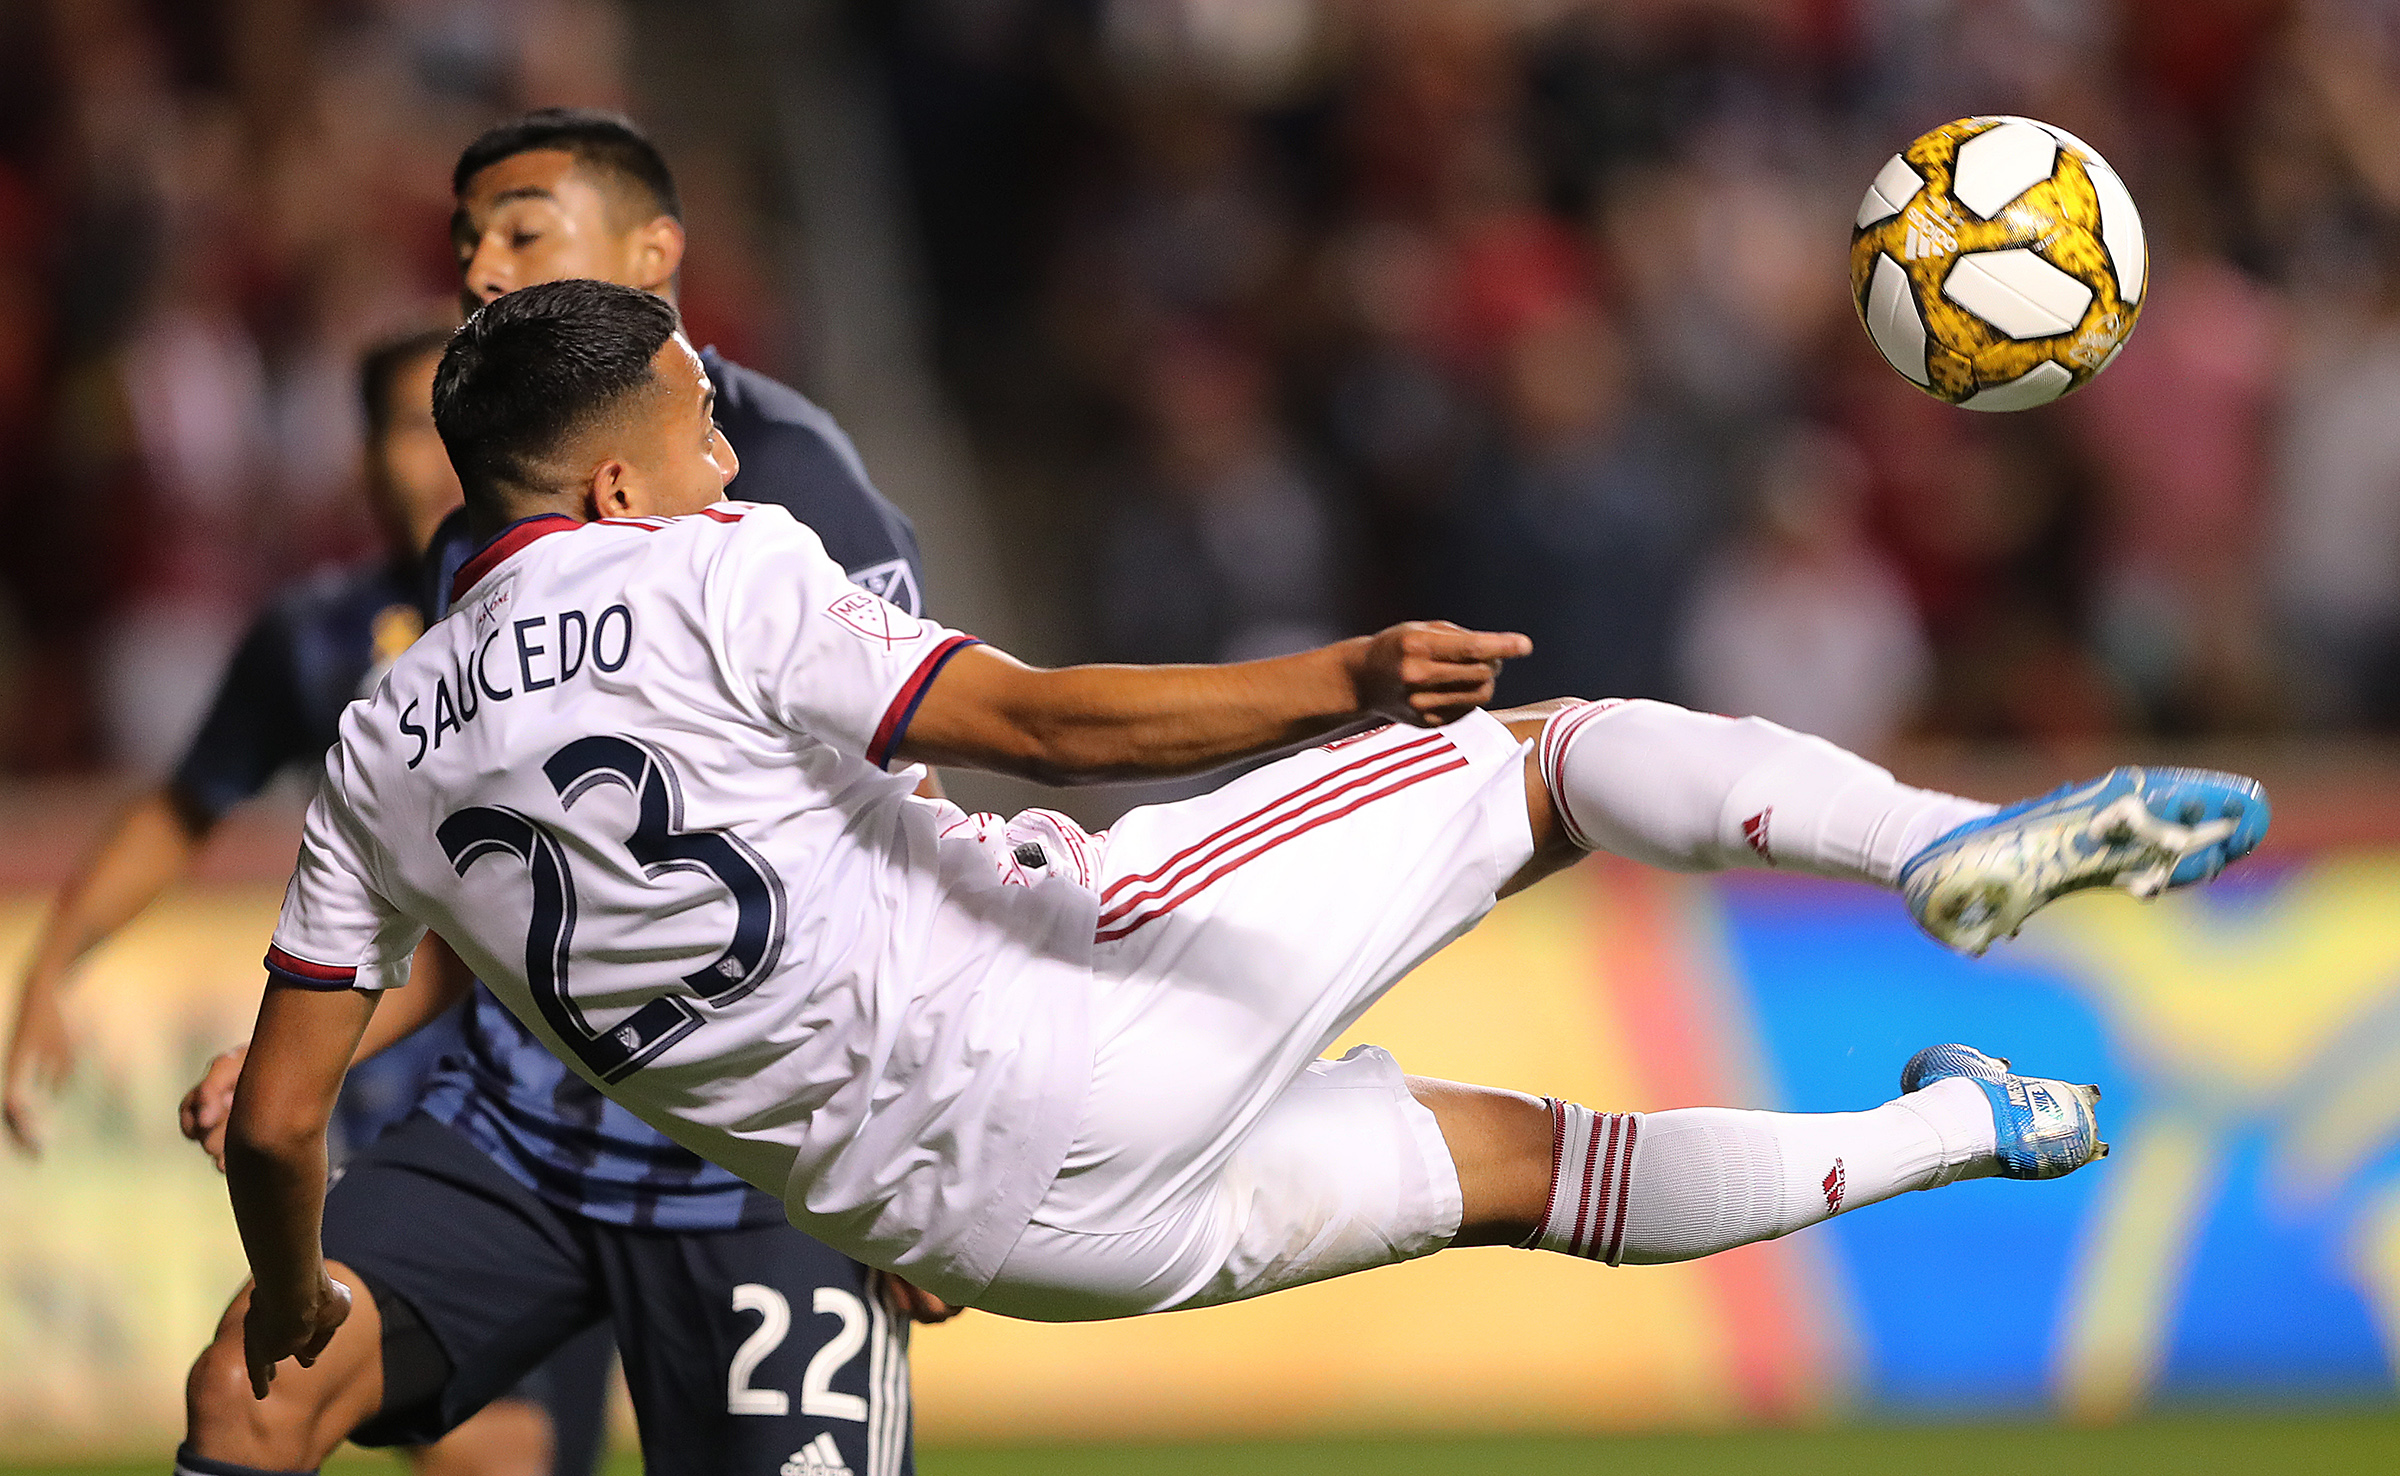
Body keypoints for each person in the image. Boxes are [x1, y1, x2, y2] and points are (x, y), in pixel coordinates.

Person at [233, 279, 2269, 1374]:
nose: (721, 444)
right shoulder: (709, 565)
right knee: (1555, 759)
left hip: (986, 1239)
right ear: (595, 489)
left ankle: (1972, 1129)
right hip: (1073, 1019)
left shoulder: (378, 754)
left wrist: (309, 1303)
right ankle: (1934, 845)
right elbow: (1035, 717)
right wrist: (1343, 679)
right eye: (693, 417)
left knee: (1515, 1169)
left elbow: (280, 1121)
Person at [174, 113, 941, 1476]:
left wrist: (928, 1154)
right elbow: (510, 880)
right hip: (523, 1139)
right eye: (467, 238)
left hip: (759, 1166)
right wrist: (309, 1042)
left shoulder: (801, 486)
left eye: (522, 230)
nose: (478, 269)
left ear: (654, 253)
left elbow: (902, 840)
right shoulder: (490, 515)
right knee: (255, 1388)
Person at [0, 328, 612, 1476]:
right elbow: (182, 808)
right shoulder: (318, 635)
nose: (430, 460)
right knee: (315, 1408)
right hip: (412, 1112)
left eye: (450, 430)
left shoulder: (600, 612)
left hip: (585, 1110)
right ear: (361, 457)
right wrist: (52, 965)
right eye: (400, 429)